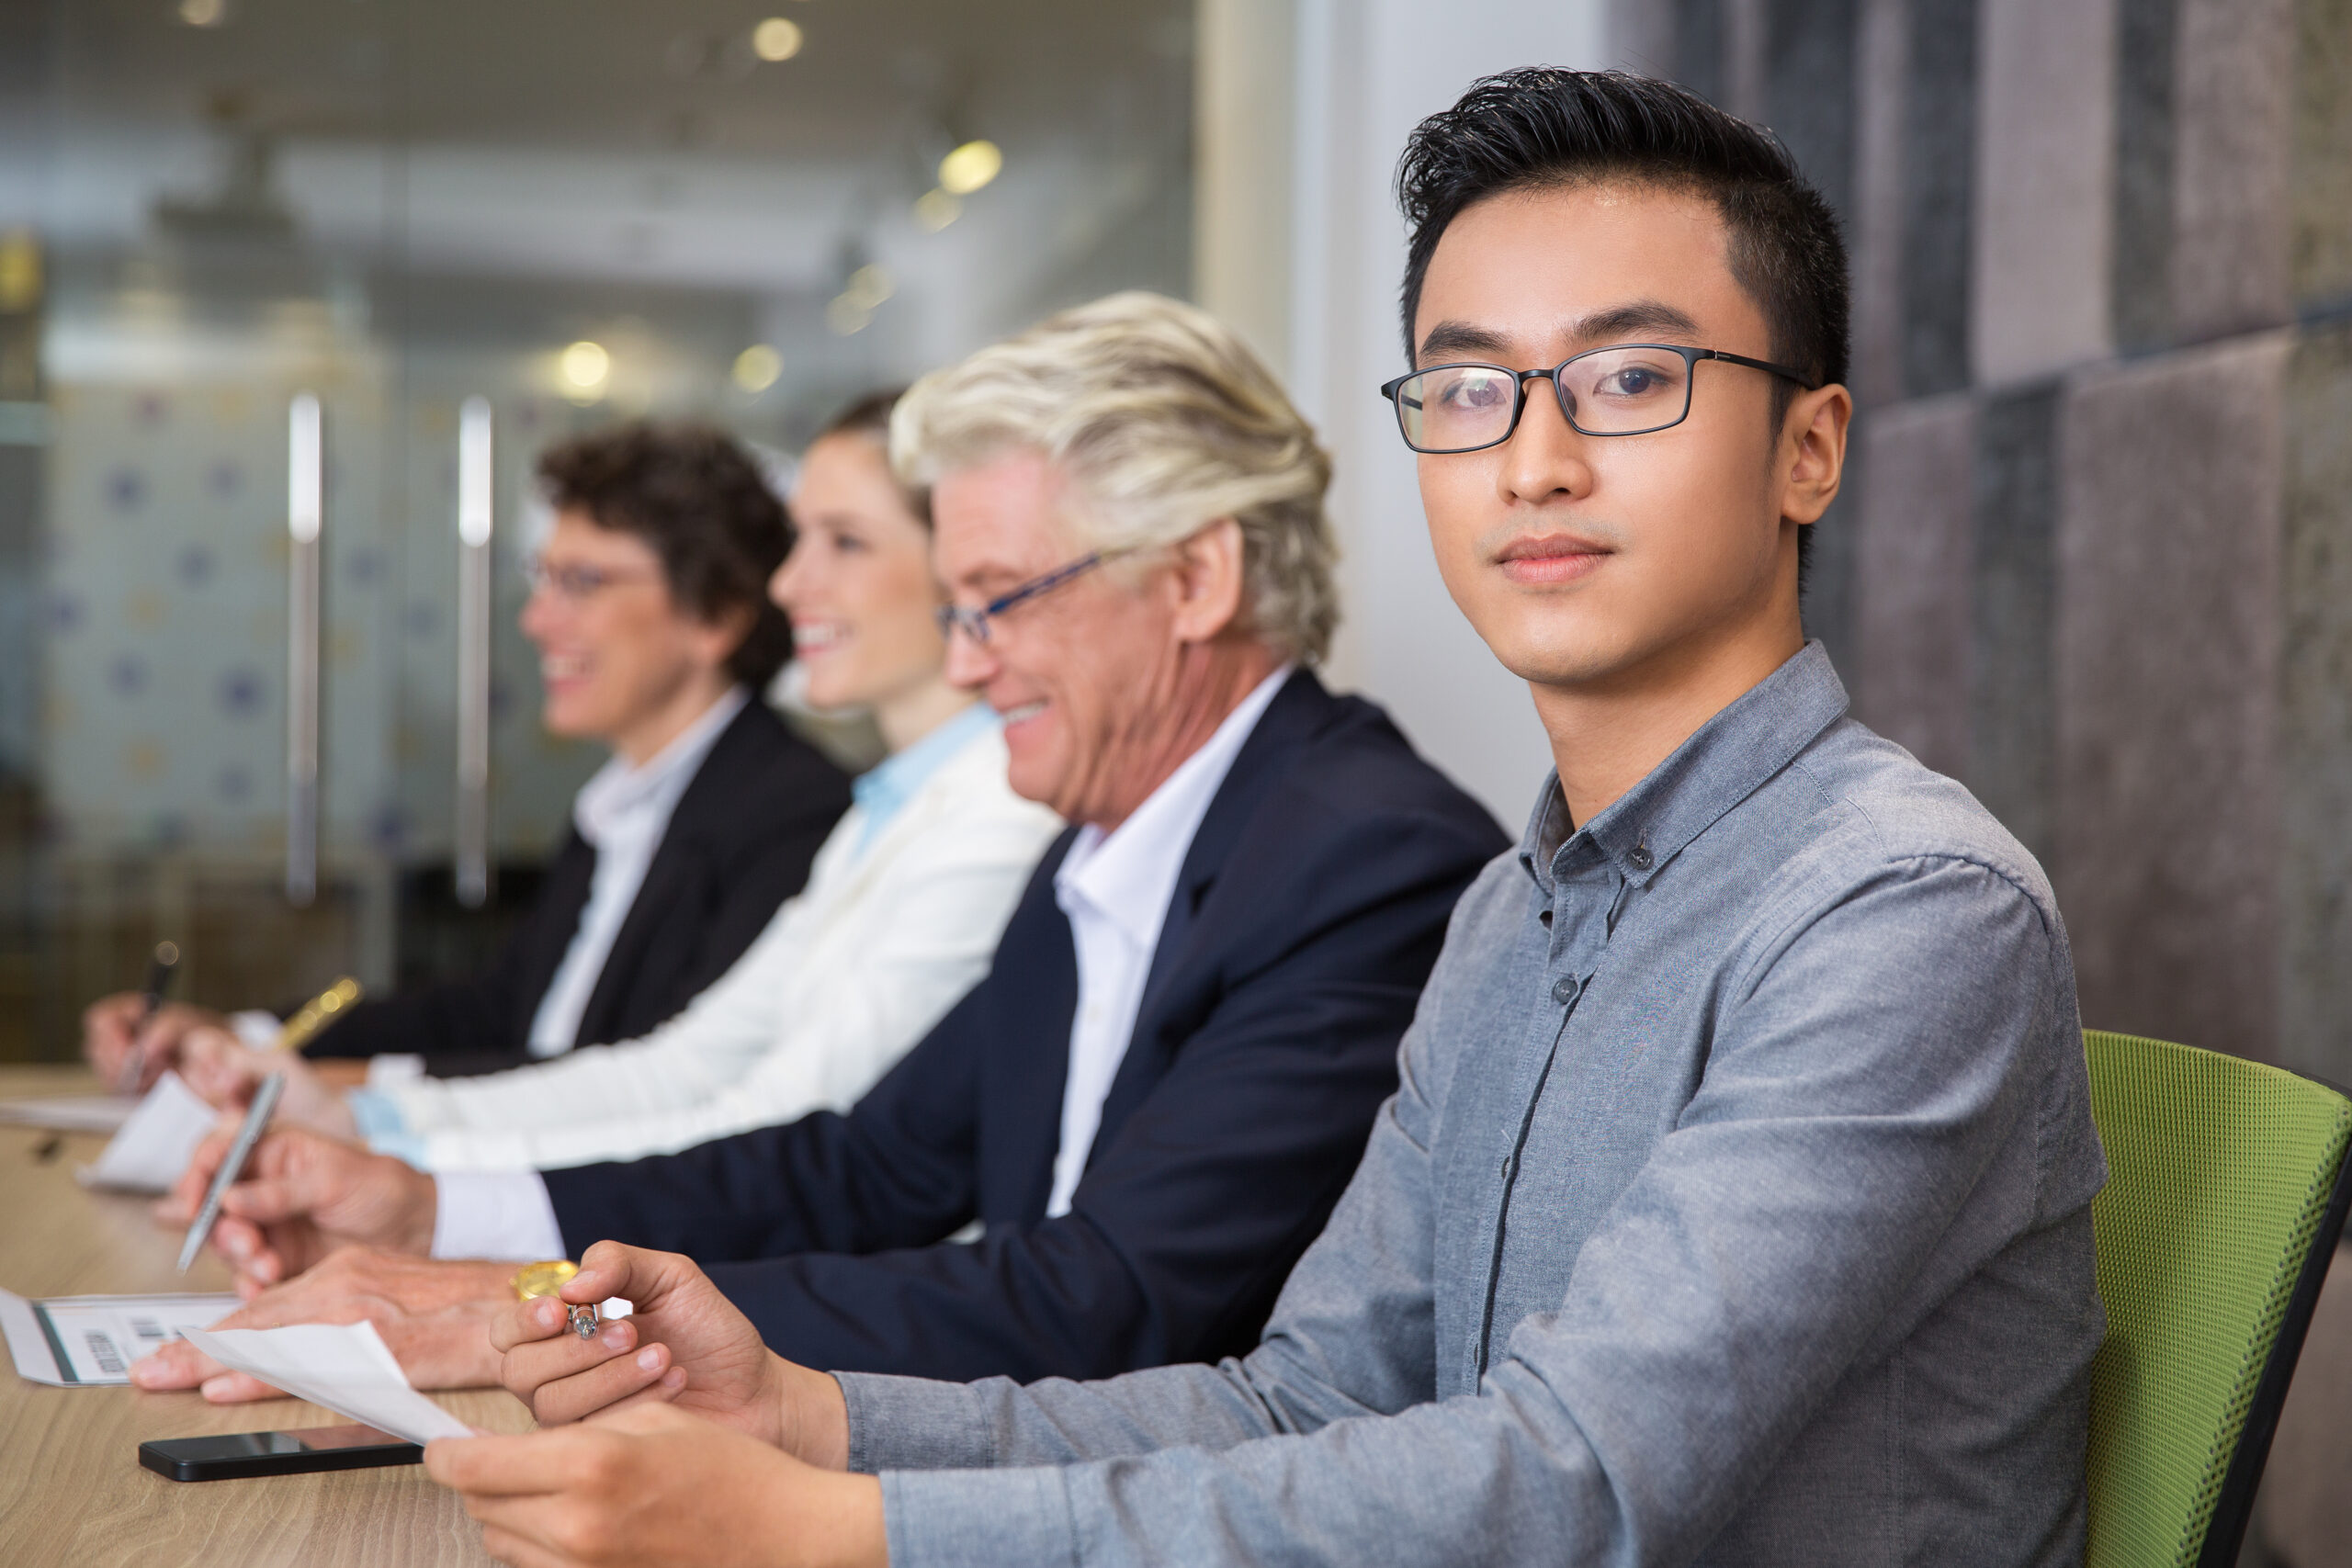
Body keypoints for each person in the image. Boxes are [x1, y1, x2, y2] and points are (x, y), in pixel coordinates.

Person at [420, 69, 2109, 1568]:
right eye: (1467, 391)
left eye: (1628, 380)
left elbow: (1572, 1485)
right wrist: (811, 1417)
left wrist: (853, 1528)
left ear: (1808, 448)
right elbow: (1306, 1392)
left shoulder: (1900, 909)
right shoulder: (1514, 907)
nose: (1531, 462)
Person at [142, 292, 1508, 1404]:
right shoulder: (1106, 834)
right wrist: (435, 1216)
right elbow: (861, 1166)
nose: (968, 669)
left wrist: (500, 1298)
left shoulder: (1367, 860)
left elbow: (1111, 1298)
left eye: (997, 603)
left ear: (1197, 578)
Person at [166, 390, 1064, 1171]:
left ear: (965, 566)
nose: (790, 584)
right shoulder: (887, 809)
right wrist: (372, 1129)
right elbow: (679, 1066)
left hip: (759, 1292)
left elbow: (777, 1133)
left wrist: (413, 1174)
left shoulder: (961, 811)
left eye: (846, 542)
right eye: (799, 542)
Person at [86, 423, 853, 1086]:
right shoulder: (626, 800)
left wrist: (331, 1086)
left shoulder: (789, 817)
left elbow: (640, 1076)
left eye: (582, 582)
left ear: (715, 613)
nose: (537, 620)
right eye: (542, 578)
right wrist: (244, 1037)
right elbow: (502, 1009)